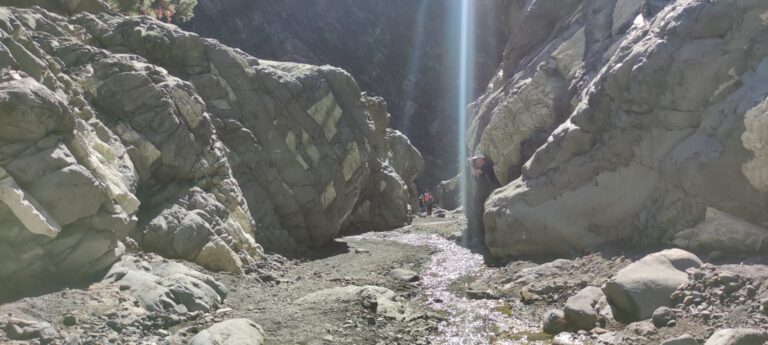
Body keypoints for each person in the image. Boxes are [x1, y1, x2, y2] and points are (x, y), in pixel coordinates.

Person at [467, 153, 501, 248]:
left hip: (487, 192)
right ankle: (480, 235)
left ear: (481, 159)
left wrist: (471, 164)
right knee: (478, 212)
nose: (475, 162)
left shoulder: (487, 164)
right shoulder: (483, 166)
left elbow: (476, 173)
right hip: (483, 192)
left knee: (480, 211)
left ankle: (482, 237)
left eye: (476, 160)